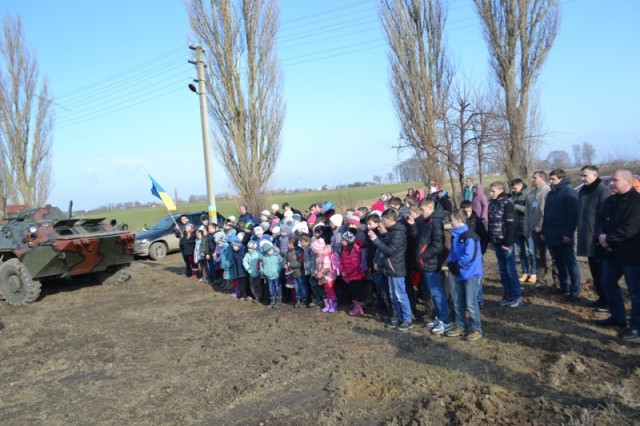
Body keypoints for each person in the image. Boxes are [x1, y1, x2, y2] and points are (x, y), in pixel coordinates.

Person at [594, 170, 640, 340]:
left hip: (632, 254)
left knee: (635, 292)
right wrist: (601, 235)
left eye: (615, 180)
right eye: (611, 180)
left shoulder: (637, 202)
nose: (611, 183)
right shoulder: (610, 201)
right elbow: (599, 221)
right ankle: (618, 317)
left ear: (628, 182)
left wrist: (609, 238)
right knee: (607, 282)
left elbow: (631, 228)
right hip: (612, 253)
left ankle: (636, 326)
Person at [407, 198, 451, 334]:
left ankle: (445, 322)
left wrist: (423, 256)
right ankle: (439, 317)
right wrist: (413, 226)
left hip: (430, 263)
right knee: (433, 293)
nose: (421, 212)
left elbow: (438, 244)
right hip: (426, 264)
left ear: (430, 208)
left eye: (422, 210)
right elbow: (419, 239)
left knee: (437, 293)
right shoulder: (426, 221)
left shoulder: (435, 222)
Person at [369, 208, 413, 331]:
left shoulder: (398, 233)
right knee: (394, 295)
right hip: (390, 268)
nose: (382, 222)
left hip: (396, 268)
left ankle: (407, 319)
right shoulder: (391, 232)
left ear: (389, 219)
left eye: (383, 220)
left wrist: (375, 240)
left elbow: (390, 251)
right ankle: (399, 317)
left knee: (400, 295)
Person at [541, 169, 581, 302]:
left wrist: (568, 233)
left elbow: (573, 216)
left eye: (553, 179)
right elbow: (547, 215)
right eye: (550, 179)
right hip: (552, 234)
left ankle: (575, 289)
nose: (550, 181)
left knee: (570, 263)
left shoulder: (569, 193)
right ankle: (564, 286)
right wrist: (544, 231)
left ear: (561, 179)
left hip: (564, 234)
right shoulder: (551, 194)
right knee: (558, 262)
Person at [445, 209, 484, 341]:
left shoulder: (470, 236)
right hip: (459, 273)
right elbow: (453, 252)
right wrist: (450, 263)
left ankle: (476, 328)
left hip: (470, 273)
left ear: (459, 220)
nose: (450, 222)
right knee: (458, 301)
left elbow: (470, 256)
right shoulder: (455, 235)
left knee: (471, 303)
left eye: (452, 220)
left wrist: (458, 264)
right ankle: (461, 326)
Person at [577, 165, 611, 311]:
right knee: (595, 272)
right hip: (587, 236)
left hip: (597, 238)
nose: (582, 178)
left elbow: (604, 216)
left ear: (595, 175)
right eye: (581, 175)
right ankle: (601, 298)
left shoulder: (603, 191)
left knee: (602, 271)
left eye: (585, 175)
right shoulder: (584, 191)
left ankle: (609, 301)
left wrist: (601, 236)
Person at [488, 181, 521, 307]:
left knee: (510, 270)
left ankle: (516, 297)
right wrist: (490, 239)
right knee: (502, 271)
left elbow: (512, 224)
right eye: (490, 191)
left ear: (500, 190)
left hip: (506, 243)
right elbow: (491, 222)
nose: (491, 193)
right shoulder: (492, 204)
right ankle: (507, 295)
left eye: (493, 191)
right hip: (496, 242)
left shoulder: (506, 204)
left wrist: (508, 242)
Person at [524, 171, 552, 284]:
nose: (532, 180)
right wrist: (526, 228)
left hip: (547, 229)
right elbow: (527, 212)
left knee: (552, 256)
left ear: (542, 178)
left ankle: (558, 282)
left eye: (534, 178)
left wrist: (546, 228)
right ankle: (540, 280)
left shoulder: (548, 192)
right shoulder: (530, 194)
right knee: (538, 255)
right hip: (535, 229)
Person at [511, 178, 536, 283]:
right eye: (512, 188)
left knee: (531, 251)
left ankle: (534, 273)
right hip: (517, 227)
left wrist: (515, 206)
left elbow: (530, 210)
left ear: (520, 185)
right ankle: (525, 272)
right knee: (521, 252)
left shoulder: (528, 195)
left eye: (514, 188)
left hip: (527, 227)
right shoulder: (513, 196)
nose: (513, 190)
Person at [340, 231, 366, 316]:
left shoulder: (355, 250)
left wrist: (346, 272)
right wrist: (342, 270)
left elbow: (355, 264)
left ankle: (359, 308)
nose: (342, 242)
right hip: (349, 276)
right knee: (352, 292)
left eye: (343, 240)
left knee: (357, 293)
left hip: (356, 276)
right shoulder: (345, 249)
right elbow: (342, 260)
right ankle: (357, 306)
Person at [311, 238, 338, 313]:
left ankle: (334, 306)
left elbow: (327, 267)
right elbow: (317, 267)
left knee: (330, 290)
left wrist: (321, 273)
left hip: (328, 277)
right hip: (323, 277)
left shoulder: (325, 256)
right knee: (326, 291)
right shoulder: (318, 256)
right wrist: (316, 272)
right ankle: (327, 305)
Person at [286, 236, 308, 308]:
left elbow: (300, 263)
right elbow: (285, 258)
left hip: (300, 272)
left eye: (288, 244)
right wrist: (284, 264)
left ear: (292, 244)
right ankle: (298, 299)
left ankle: (304, 299)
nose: (287, 245)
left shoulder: (300, 251)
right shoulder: (289, 251)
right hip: (293, 273)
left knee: (302, 286)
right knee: (296, 286)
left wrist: (290, 264)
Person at [260, 241, 283, 308]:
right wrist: (263, 271)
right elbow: (261, 265)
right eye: (268, 251)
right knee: (270, 289)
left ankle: (278, 301)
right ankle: (272, 300)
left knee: (277, 288)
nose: (270, 251)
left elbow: (280, 263)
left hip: (276, 275)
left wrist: (278, 270)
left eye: (271, 249)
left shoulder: (277, 256)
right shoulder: (263, 257)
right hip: (268, 276)